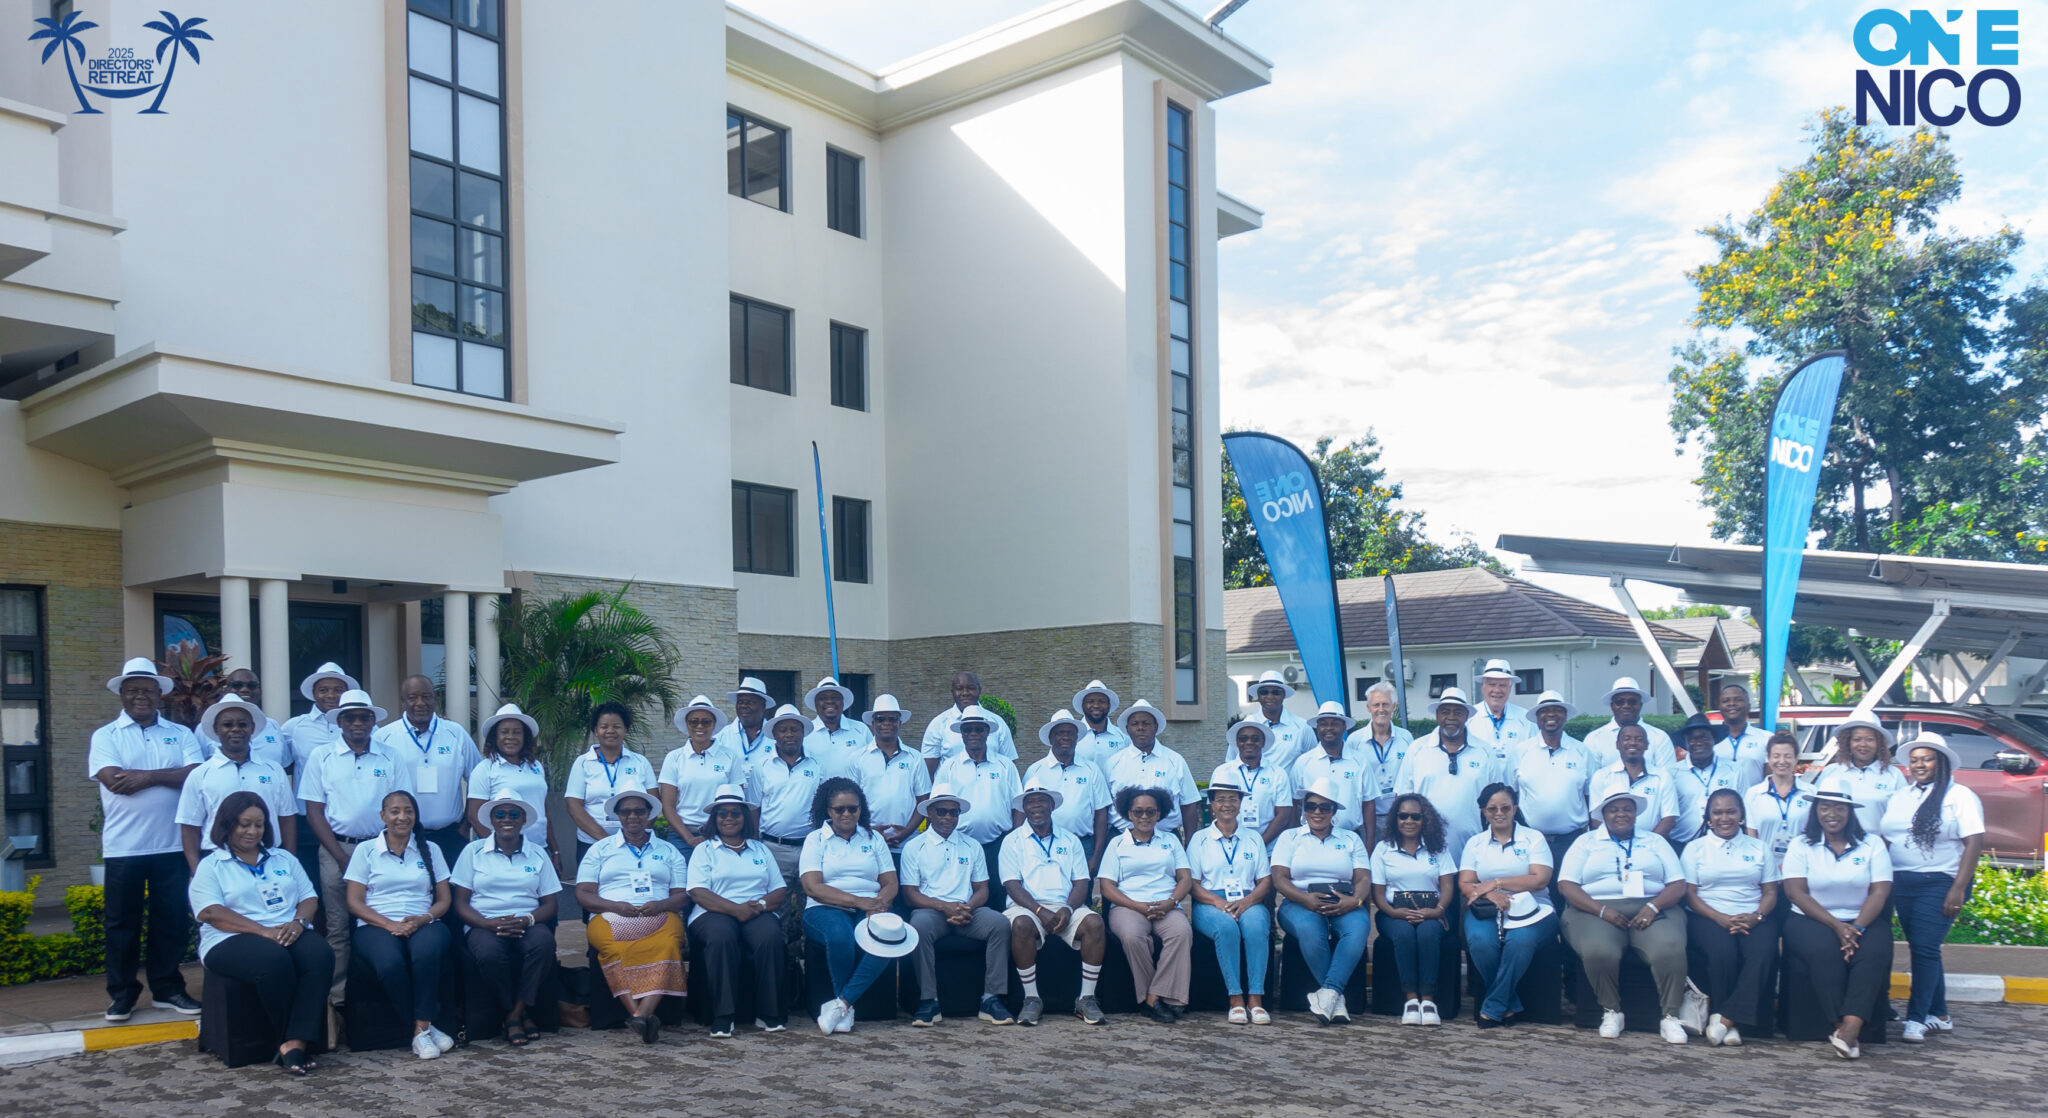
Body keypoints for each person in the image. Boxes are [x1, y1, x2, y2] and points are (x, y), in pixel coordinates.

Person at [90, 657, 204, 1021]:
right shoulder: (106, 735)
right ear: (122, 694)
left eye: (148, 690)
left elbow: (194, 775)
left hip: (172, 843)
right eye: (133, 690)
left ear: (159, 695)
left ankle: (167, 989)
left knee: (170, 921)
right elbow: (114, 781)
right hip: (124, 846)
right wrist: (166, 774)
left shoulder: (180, 734)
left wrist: (147, 777)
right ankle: (122, 994)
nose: (141, 696)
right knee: (121, 925)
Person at [188, 792, 330, 1074]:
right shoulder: (212, 865)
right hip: (229, 938)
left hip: (285, 929)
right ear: (228, 825)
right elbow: (210, 912)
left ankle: (297, 1041)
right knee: (273, 959)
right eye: (244, 824)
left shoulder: (282, 858)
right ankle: (288, 1041)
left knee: (320, 954)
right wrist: (261, 931)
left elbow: (309, 897)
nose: (253, 831)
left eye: (259, 824)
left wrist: (299, 922)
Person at [297, 688, 411, 1006]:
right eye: (350, 718)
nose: (357, 723)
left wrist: (388, 850)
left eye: (363, 717)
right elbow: (314, 811)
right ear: (340, 722)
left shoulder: (391, 756)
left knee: (379, 920)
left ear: (373, 720)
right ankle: (339, 998)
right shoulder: (322, 756)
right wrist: (339, 856)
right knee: (337, 926)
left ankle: (375, 991)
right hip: (337, 848)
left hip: (382, 849)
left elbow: (401, 806)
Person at [1557, 788, 1691, 1043]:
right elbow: (1566, 885)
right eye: (1613, 810)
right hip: (1594, 909)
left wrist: (1653, 907)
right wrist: (1601, 911)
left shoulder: (1655, 841)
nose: (1621, 814)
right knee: (1599, 950)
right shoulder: (1586, 842)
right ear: (1603, 814)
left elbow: (1677, 884)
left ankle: (1670, 1016)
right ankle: (1611, 1011)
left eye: (1627, 809)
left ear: (1636, 813)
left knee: (1669, 948)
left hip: (1653, 907)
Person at [1878, 733, 1986, 1042]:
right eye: (1915, 760)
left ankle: (1916, 1019)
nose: (1920, 765)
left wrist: (1958, 888)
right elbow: (1889, 837)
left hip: (1940, 882)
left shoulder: (1960, 796)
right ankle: (1940, 1015)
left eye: (1927, 759)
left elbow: (1974, 842)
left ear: (1941, 763)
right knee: (1922, 947)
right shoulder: (1901, 796)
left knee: (1924, 948)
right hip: (1902, 881)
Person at [1779, 788, 1894, 1060]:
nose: (1832, 814)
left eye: (1840, 807)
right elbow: (1796, 893)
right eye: (1825, 807)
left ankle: (1851, 1026)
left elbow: (1879, 892)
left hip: (1862, 918)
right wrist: (1837, 926)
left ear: (1850, 812)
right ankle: (1839, 1024)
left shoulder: (1872, 844)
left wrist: (1857, 928)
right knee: (1825, 952)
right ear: (1815, 811)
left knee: (1874, 952)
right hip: (1810, 918)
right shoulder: (1801, 844)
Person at [344, 790, 455, 1060]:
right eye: (394, 811)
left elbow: (444, 900)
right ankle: (423, 1028)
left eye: (408, 811)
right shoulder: (365, 851)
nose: (402, 817)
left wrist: (422, 919)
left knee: (425, 953)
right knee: (389, 964)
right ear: (383, 816)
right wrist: (388, 924)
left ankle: (421, 1028)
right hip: (375, 924)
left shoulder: (431, 849)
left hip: (424, 922)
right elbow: (354, 902)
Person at [575, 787, 686, 1043]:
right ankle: (641, 1014)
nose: (633, 816)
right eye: (626, 812)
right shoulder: (600, 849)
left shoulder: (669, 851)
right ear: (618, 815)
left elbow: (682, 896)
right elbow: (583, 894)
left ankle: (639, 1015)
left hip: (660, 912)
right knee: (614, 948)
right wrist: (615, 906)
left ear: (649, 814)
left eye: (639, 811)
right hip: (610, 913)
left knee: (669, 944)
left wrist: (660, 905)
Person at [799, 778, 909, 1034]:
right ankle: (845, 1005)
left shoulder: (874, 838)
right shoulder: (816, 839)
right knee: (841, 937)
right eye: (839, 809)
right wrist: (859, 901)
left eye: (853, 808)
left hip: (870, 905)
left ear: (861, 809)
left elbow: (890, 882)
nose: (847, 814)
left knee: (887, 938)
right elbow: (812, 887)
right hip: (825, 906)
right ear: (828, 811)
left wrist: (880, 903)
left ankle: (842, 1005)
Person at [899, 784, 1014, 1027]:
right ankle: (928, 1001)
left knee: (1000, 924)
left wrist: (968, 908)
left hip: (967, 911)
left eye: (954, 812)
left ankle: (991, 999)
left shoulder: (972, 845)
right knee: (918, 927)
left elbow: (982, 888)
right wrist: (944, 907)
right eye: (942, 811)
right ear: (930, 812)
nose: (948, 817)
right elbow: (910, 894)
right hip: (931, 911)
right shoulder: (914, 846)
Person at [450, 795, 562, 1047]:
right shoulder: (473, 851)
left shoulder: (537, 853)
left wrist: (527, 920)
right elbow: (460, 903)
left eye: (514, 814)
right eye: (500, 814)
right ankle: (519, 1013)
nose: (507, 819)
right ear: (491, 820)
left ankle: (513, 1015)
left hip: (527, 921)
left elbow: (550, 905)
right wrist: (487, 924)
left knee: (543, 945)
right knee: (489, 955)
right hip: (484, 922)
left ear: (523, 819)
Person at [1000, 780, 1110, 1026]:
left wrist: (1068, 909)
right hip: (1027, 907)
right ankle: (1031, 999)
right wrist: (1039, 910)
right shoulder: (1012, 841)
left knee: (1095, 923)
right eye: (1030, 802)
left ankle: (1086, 999)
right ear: (1024, 808)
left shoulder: (1070, 840)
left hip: (1065, 905)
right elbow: (1012, 885)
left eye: (1041, 800)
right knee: (1021, 924)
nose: (1036, 806)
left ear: (1052, 806)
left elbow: (1081, 882)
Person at [685, 785, 789, 1037]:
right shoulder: (704, 850)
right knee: (721, 937)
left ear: (745, 817)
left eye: (735, 813)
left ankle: (769, 1012)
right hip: (712, 911)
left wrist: (759, 906)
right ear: (714, 818)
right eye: (722, 813)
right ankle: (723, 1015)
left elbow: (779, 890)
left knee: (770, 937)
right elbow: (697, 892)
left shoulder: (760, 849)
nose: (729, 818)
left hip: (755, 910)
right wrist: (735, 910)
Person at [1681, 788, 1778, 1047]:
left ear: (1741, 815)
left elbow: (1770, 891)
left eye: (1731, 812)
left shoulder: (1758, 847)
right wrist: (1719, 917)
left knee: (1763, 952)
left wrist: (1757, 916)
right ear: (1708, 817)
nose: (1724, 818)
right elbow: (1690, 894)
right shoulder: (1695, 848)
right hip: (1707, 915)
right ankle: (1729, 1023)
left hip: (1753, 915)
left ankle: (1725, 1020)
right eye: (1718, 813)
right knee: (1723, 953)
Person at [1271, 780, 1371, 1025]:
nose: (1317, 812)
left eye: (1325, 807)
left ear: (1334, 810)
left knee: (1358, 928)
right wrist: (1304, 899)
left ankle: (1329, 993)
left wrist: (1354, 901)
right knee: (1310, 930)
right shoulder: (1289, 837)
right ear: (1304, 809)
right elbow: (1279, 877)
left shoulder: (1351, 838)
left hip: (1343, 900)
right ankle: (1336, 999)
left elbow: (1363, 878)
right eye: (1311, 806)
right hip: (1299, 901)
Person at [1459, 783, 1557, 1029]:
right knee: (1481, 943)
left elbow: (1540, 879)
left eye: (1505, 807)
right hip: (1486, 906)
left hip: (1534, 906)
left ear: (1515, 808)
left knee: (1520, 941)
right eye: (1492, 809)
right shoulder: (1475, 843)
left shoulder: (1534, 838)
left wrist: (1496, 883)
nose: (1499, 813)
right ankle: (1509, 1001)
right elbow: (1466, 882)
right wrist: (1490, 893)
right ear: (1484, 811)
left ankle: (1493, 1007)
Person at [1099, 786, 1194, 1023]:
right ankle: (1158, 999)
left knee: (1181, 933)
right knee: (1133, 936)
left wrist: (1171, 902)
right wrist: (1137, 906)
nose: (1144, 816)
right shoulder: (1117, 844)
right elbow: (1107, 887)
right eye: (1138, 811)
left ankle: (1153, 997)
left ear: (1159, 813)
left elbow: (1185, 878)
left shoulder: (1171, 840)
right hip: (1128, 906)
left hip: (1166, 904)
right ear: (1128, 813)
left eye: (1150, 812)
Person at [371, 675, 482, 873]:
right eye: (413, 697)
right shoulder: (383, 737)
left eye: (426, 697)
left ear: (435, 698)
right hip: (403, 837)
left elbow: (478, 779)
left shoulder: (455, 733)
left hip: (451, 836)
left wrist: (467, 823)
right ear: (403, 701)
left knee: (452, 890)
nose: (420, 703)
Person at [1189, 770, 1274, 1024]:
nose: (1227, 805)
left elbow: (1265, 881)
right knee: (1226, 928)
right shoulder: (1199, 839)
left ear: (1240, 802)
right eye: (1221, 799)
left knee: (1257, 927)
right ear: (1211, 804)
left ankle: (1256, 999)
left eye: (1233, 799)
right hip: (1210, 901)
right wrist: (1219, 903)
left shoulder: (1254, 838)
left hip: (1248, 899)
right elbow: (1192, 884)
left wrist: (1246, 902)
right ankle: (1235, 998)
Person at [178, 694, 298, 871]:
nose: (235, 729)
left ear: (252, 728)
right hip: (218, 862)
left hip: (269, 859)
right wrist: (196, 871)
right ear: (216, 729)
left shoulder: (274, 770)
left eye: (242, 724)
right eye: (227, 725)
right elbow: (189, 827)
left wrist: (289, 862)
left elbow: (287, 819)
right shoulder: (200, 774)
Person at [1369, 793, 1454, 1026]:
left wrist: (1438, 910)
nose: (1409, 821)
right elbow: (1378, 893)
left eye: (1415, 816)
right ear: (1395, 819)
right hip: (1393, 913)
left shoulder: (1439, 848)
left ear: (1425, 819)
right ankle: (1411, 1000)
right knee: (1404, 934)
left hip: (1432, 912)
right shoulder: (1383, 849)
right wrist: (1393, 913)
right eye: (1403, 816)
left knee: (1428, 933)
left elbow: (1447, 886)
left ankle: (1428, 1001)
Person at [750, 704, 830, 943]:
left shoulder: (817, 766)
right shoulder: (761, 767)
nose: (789, 734)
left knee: (812, 905)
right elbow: (754, 808)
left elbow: (823, 807)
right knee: (778, 908)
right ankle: (781, 955)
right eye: (783, 730)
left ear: (802, 733)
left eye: (794, 729)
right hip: (774, 848)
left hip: (809, 847)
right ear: (775, 734)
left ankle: (810, 953)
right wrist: (756, 843)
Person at [930, 705, 1022, 896]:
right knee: (964, 895)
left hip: (999, 844)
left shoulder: (1005, 765)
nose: (973, 733)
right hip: (960, 844)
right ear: (961, 734)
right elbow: (937, 804)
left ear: (987, 731)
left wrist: (1014, 839)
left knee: (999, 895)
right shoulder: (949, 766)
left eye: (978, 729)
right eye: (968, 729)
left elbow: (1018, 805)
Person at [1395, 688, 1497, 855]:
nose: (1451, 717)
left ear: (1467, 716)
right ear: (1437, 715)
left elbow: (1496, 799)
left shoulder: (1485, 751)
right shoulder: (1417, 749)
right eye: (1445, 712)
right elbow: (1402, 798)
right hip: (1425, 847)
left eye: (1458, 712)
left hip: (1475, 846)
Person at [281, 663, 354, 884]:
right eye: (324, 690)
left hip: (346, 821)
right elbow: (285, 765)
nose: (331, 695)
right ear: (314, 693)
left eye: (338, 690)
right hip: (306, 820)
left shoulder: (362, 725)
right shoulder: (294, 727)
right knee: (311, 883)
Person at [564, 701, 655, 871]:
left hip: (635, 845)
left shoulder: (640, 762)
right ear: (595, 730)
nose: (610, 731)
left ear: (625, 729)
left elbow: (653, 803)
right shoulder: (583, 763)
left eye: (617, 726)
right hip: (591, 843)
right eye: (604, 726)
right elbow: (573, 806)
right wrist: (607, 841)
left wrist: (636, 838)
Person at [1021, 709, 1112, 874]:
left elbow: (1101, 813)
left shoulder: (1091, 770)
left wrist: (1096, 857)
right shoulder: (1035, 770)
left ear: (1077, 738)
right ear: (1050, 738)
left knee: (1082, 890)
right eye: (1060, 733)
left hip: (1083, 844)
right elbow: (1023, 811)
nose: (1066, 737)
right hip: (1043, 845)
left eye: (1070, 733)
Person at [467, 704, 558, 863]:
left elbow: (543, 812)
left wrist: (555, 850)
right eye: (504, 732)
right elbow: (475, 817)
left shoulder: (536, 766)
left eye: (517, 732)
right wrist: (499, 851)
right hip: (505, 853)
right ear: (495, 736)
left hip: (539, 849)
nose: (511, 737)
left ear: (525, 736)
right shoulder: (485, 769)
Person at [1510, 691, 1591, 869]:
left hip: (1573, 841)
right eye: (1545, 711)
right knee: (1536, 886)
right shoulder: (1520, 751)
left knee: (1569, 886)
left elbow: (1589, 796)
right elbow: (1511, 795)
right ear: (1537, 718)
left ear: (1565, 716)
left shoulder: (1582, 751)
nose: (1551, 715)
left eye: (1557, 710)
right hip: (1531, 842)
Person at [658, 696, 745, 860]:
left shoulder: (729, 756)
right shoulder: (674, 758)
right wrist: (689, 838)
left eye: (706, 722)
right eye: (694, 721)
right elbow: (668, 806)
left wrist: (721, 833)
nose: (700, 726)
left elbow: (737, 801)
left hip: (721, 834)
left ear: (714, 724)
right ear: (687, 724)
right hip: (681, 836)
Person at [845, 695, 932, 858]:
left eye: (892, 719)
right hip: (867, 841)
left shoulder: (915, 757)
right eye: (880, 719)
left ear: (900, 723)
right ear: (873, 723)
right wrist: (870, 830)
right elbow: (850, 802)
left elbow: (923, 801)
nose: (886, 723)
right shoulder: (857, 758)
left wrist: (905, 833)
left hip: (907, 844)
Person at [1104, 700, 1202, 836]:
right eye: (1135, 724)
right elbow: (1103, 807)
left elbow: (1189, 805)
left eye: (1146, 723)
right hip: (1121, 837)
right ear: (1127, 729)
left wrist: (1191, 844)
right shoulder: (1113, 762)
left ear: (1155, 727)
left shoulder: (1175, 760)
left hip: (1166, 838)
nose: (1140, 728)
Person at [1290, 708, 1372, 847]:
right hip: (1310, 840)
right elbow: (1294, 803)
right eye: (1323, 724)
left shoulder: (1360, 761)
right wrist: (1293, 840)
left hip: (1351, 839)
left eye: (1334, 723)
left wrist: (1369, 844)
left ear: (1344, 727)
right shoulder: (1303, 762)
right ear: (1317, 728)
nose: (1329, 728)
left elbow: (1369, 803)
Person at [1809, 716, 1905, 834]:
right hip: (1838, 842)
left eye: (1870, 739)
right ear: (1847, 743)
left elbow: (1903, 815)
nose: (1863, 744)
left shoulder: (1894, 774)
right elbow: (1817, 809)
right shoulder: (1831, 771)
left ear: (1879, 743)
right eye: (1857, 739)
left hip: (1879, 842)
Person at [1345, 681, 1413, 836]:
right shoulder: (1354, 741)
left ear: (1393, 707)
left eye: (1385, 704)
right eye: (1376, 705)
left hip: (1399, 816)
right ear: (1368, 707)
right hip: (1367, 816)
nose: (1381, 709)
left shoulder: (1406, 738)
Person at [1213, 721, 1296, 849]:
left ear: (1263, 742)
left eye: (1255, 739)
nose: (1249, 742)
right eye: (1243, 739)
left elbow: (1283, 815)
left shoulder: (1278, 773)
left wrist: (1258, 844)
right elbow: (1214, 809)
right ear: (1237, 742)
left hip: (1269, 849)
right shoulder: (1222, 771)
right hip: (1230, 847)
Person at [1588, 724, 1678, 837]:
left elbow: (1669, 818)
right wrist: (1615, 842)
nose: (1633, 743)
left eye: (1639, 739)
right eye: (1627, 738)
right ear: (1617, 745)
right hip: (1610, 843)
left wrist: (1649, 843)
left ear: (1647, 745)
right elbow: (1596, 819)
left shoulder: (1662, 777)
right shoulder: (1602, 776)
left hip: (1652, 844)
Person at [1743, 730, 1812, 874]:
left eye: (1788, 756)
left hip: (1802, 868)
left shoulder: (1811, 793)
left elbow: (1814, 834)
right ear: (1768, 758)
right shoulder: (1753, 794)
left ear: (1796, 759)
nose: (1782, 761)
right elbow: (1751, 836)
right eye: (1776, 756)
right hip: (1765, 869)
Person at [1670, 712, 1744, 848]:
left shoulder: (1734, 770)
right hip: (1682, 844)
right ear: (1686, 743)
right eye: (1693, 739)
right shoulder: (1672, 774)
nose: (1699, 743)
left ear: (1713, 740)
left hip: (1725, 844)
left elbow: (1744, 808)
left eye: (1704, 737)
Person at [922, 671, 1018, 772]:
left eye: (971, 688)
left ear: (979, 690)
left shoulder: (997, 722)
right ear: (952, 692)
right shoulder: (938, 724)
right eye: (959, 689)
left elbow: (1010, 766)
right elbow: (927, 773)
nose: (965, 693)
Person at [1581, 677, 1676, 772]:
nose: (1626, 706)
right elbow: (1592, 777)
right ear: (1612, 706)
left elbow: (1667, 774)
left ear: (1640, 705)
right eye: (1620, 702)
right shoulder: (1594, 739)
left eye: (1632, 701)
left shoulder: (1659, 737)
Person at [206, 669, 291, 769]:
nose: (245, 689)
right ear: (225, 691)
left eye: (252, 685)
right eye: (237, 685)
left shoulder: (272, 725)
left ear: (260, 692)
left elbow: (284, 765)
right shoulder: (207, 727)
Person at [1227, 670, 1311, 771]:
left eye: (1276, 692)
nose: (1270, 696)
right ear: (1258, 695)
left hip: (1287, 782)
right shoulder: (1245, 726)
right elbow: (1230, 763)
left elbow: (1311, 762)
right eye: (1264, 692)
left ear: (1283, 695)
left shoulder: (1302, 727)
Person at [1467, 659, 1535, 767]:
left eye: (1502, 685)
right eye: (1492, 684)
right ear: (1483, 687)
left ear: (1510, 688)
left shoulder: (1526, 719)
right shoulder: (1468, 718)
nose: (1497, 690)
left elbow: (1535, 756)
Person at [1712, 681, 1773, 789]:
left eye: (1738, 700)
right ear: (1720, 708)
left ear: (1749, 707)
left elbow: (1771, 779)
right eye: (1726, 701)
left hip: (1753, 799)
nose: (1732, 704)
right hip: (1719, 799)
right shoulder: (1711, 740)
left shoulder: (1766, 738)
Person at [803, 676, 873, 772]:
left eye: (835, 697)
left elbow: (872, 761)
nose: (829, 701)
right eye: (823, 698)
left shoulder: (861, 729)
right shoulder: (805, 732)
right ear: (815, 704)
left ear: (843, 702)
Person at [1071, 680, 1129, 771]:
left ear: (1109, 705)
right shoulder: (1072, 736)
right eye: (1090, 701)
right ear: (1083, 706)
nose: (1096, 705)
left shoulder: (1123, 737)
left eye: (1102, 701)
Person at [715, 677, 775, 763]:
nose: (743, 706)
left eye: (750, 702)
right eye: (740, 702)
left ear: (763, 706)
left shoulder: (775, 737)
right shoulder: (721, 736)